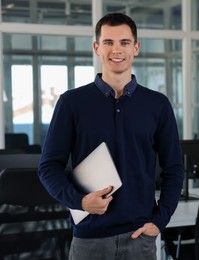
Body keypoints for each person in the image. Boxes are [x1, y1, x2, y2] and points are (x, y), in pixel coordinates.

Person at [38, 13, 184, 260]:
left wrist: (160, 221)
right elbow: (48, 168)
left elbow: (174, 168)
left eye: (125, 42)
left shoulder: (157, 104)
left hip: (141, 236)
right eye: (108, 42)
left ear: (136, 48)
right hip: (89, 239)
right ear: (96, 47)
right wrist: (81, 201)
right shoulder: (71, 103)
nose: (117, 50)